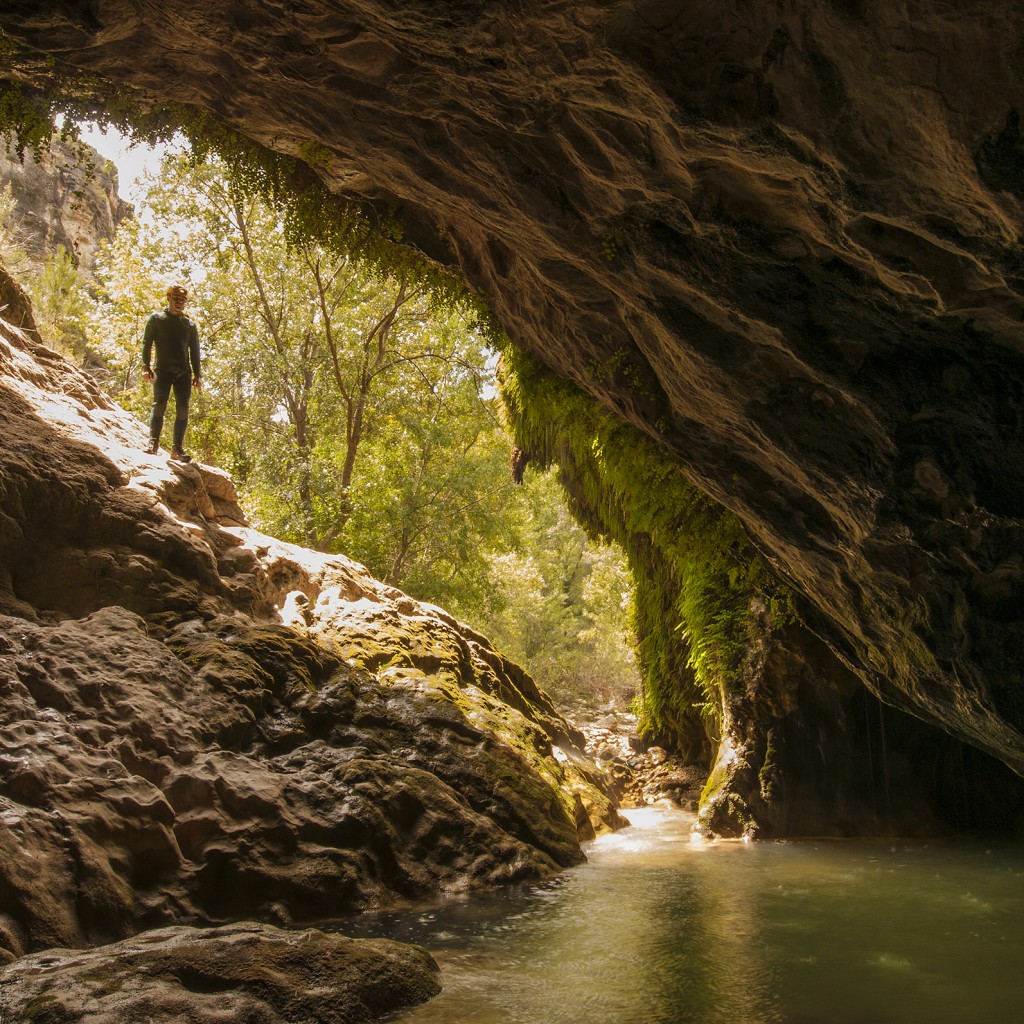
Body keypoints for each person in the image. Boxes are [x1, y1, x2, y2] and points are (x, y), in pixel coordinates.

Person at [142, 284, 202, 462]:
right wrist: (145, 366)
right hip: (162, 369)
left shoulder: (189, 325)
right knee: (159, 403)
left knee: (183, 408)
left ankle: (177, 449)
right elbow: (147, 343)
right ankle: (153, 442)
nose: (179, 303)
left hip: (183, 372)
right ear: (168, 297)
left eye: (183, 300)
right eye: (176, 298)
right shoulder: (156, 319)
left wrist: (197, 375)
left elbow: (195, 351)